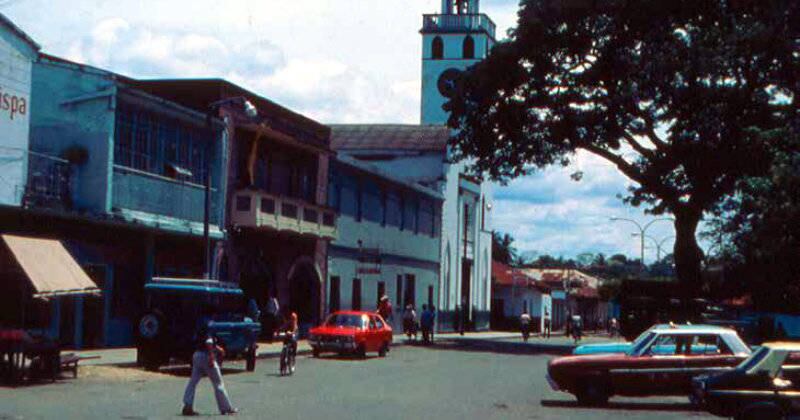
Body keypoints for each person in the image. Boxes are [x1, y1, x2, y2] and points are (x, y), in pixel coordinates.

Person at [182, 335, 238, 416]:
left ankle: (187, 405)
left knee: (192, 382)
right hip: (206, 356)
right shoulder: (209, 329)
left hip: (197, 355)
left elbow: (204, 341)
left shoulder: (199, 329)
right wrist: (211, 357)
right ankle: (226, 408)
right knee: (218, 383)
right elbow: (209, 342)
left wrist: (218, 348)